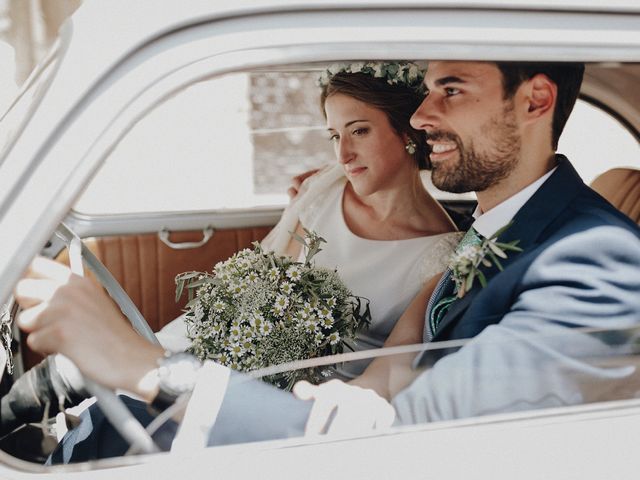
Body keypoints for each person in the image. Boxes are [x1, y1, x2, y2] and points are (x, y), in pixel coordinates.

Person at [14, 60, 640, 461]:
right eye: (427, 93)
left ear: (535, 101)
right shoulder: (498, 222)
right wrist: (351, 390)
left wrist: (145, 365)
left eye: (452, 91)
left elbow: (406, 447)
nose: (422, 117)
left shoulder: (599, 258)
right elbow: (398, 369)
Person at [158, 61, 460, 378]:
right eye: (334, 136)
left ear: (406, 132)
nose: (343, 154)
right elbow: (268, 283)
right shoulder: (326, 189)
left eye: (359, 131)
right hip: (257, 356)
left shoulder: (441, 253)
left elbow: (395, 365)